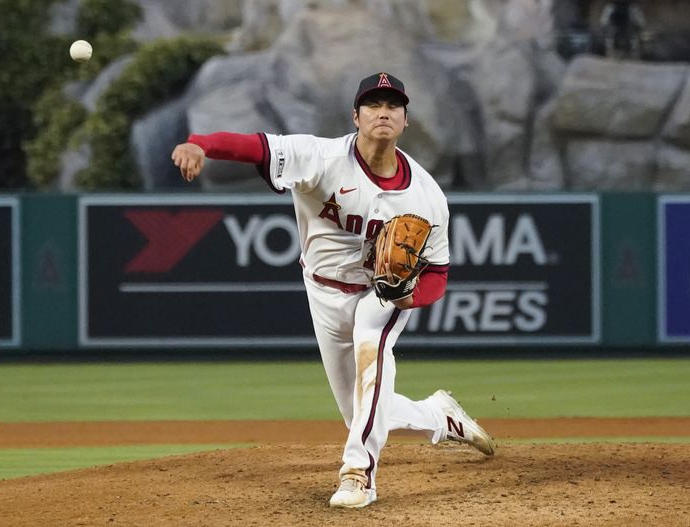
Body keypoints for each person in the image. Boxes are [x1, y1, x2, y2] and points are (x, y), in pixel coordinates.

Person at [171, 72, 496, 509]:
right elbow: (255, 147)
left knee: (372, 360)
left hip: (380, 294)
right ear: (355, 117)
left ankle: (358, 476)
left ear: (406, 121)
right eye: (373, 105)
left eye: (393, 106)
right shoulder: (320, 157)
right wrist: (201, 144)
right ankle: (439, 416)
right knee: (359, 409)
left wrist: (407, 297)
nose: (383, 113)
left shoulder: (427, 197)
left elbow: (437, 272)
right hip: (322, 289)